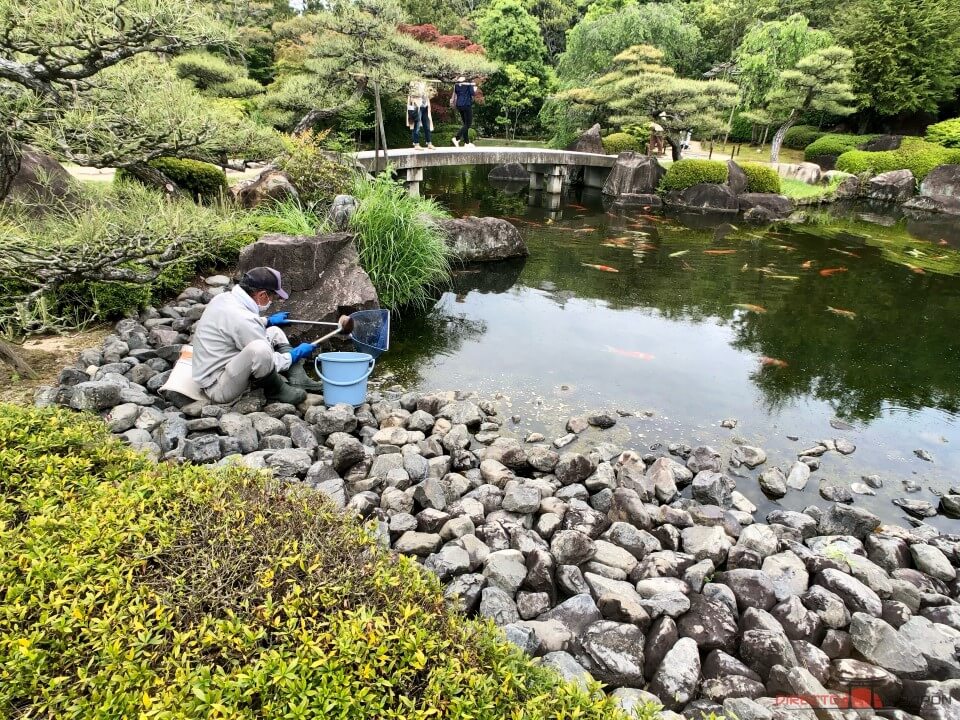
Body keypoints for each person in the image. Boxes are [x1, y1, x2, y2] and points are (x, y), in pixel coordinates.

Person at [191, 267, 320, 405]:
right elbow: (268, 360)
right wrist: (295, 354)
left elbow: (237, 326)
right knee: (260, 349)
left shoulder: (225, 298)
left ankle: (298, 379)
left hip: (221, 366)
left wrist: (268, 321)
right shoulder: (243, 319)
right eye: (272, 297)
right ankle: (276, 390)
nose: (272, 300)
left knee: (274, 331)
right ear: (262, 295)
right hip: (218, 386)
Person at [406, 80, 434, 150]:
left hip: (425, 106)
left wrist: (430, 92)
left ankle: (429, 143)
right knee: (417, 126)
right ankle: (416, 144)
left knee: (427, 126)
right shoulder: (413, 82)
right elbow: (411, 96)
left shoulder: (426, 82)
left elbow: (429, 95)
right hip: (417, 106)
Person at [451, 76, 476, 148]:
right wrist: (474, 88)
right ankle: (457, 138)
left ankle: (467, 142)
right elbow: (472, 93)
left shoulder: (456, 83)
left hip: (459, 105)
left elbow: (456, 92)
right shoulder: (469, 82)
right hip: (466, 104)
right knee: (468, 124)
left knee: (465, 124)